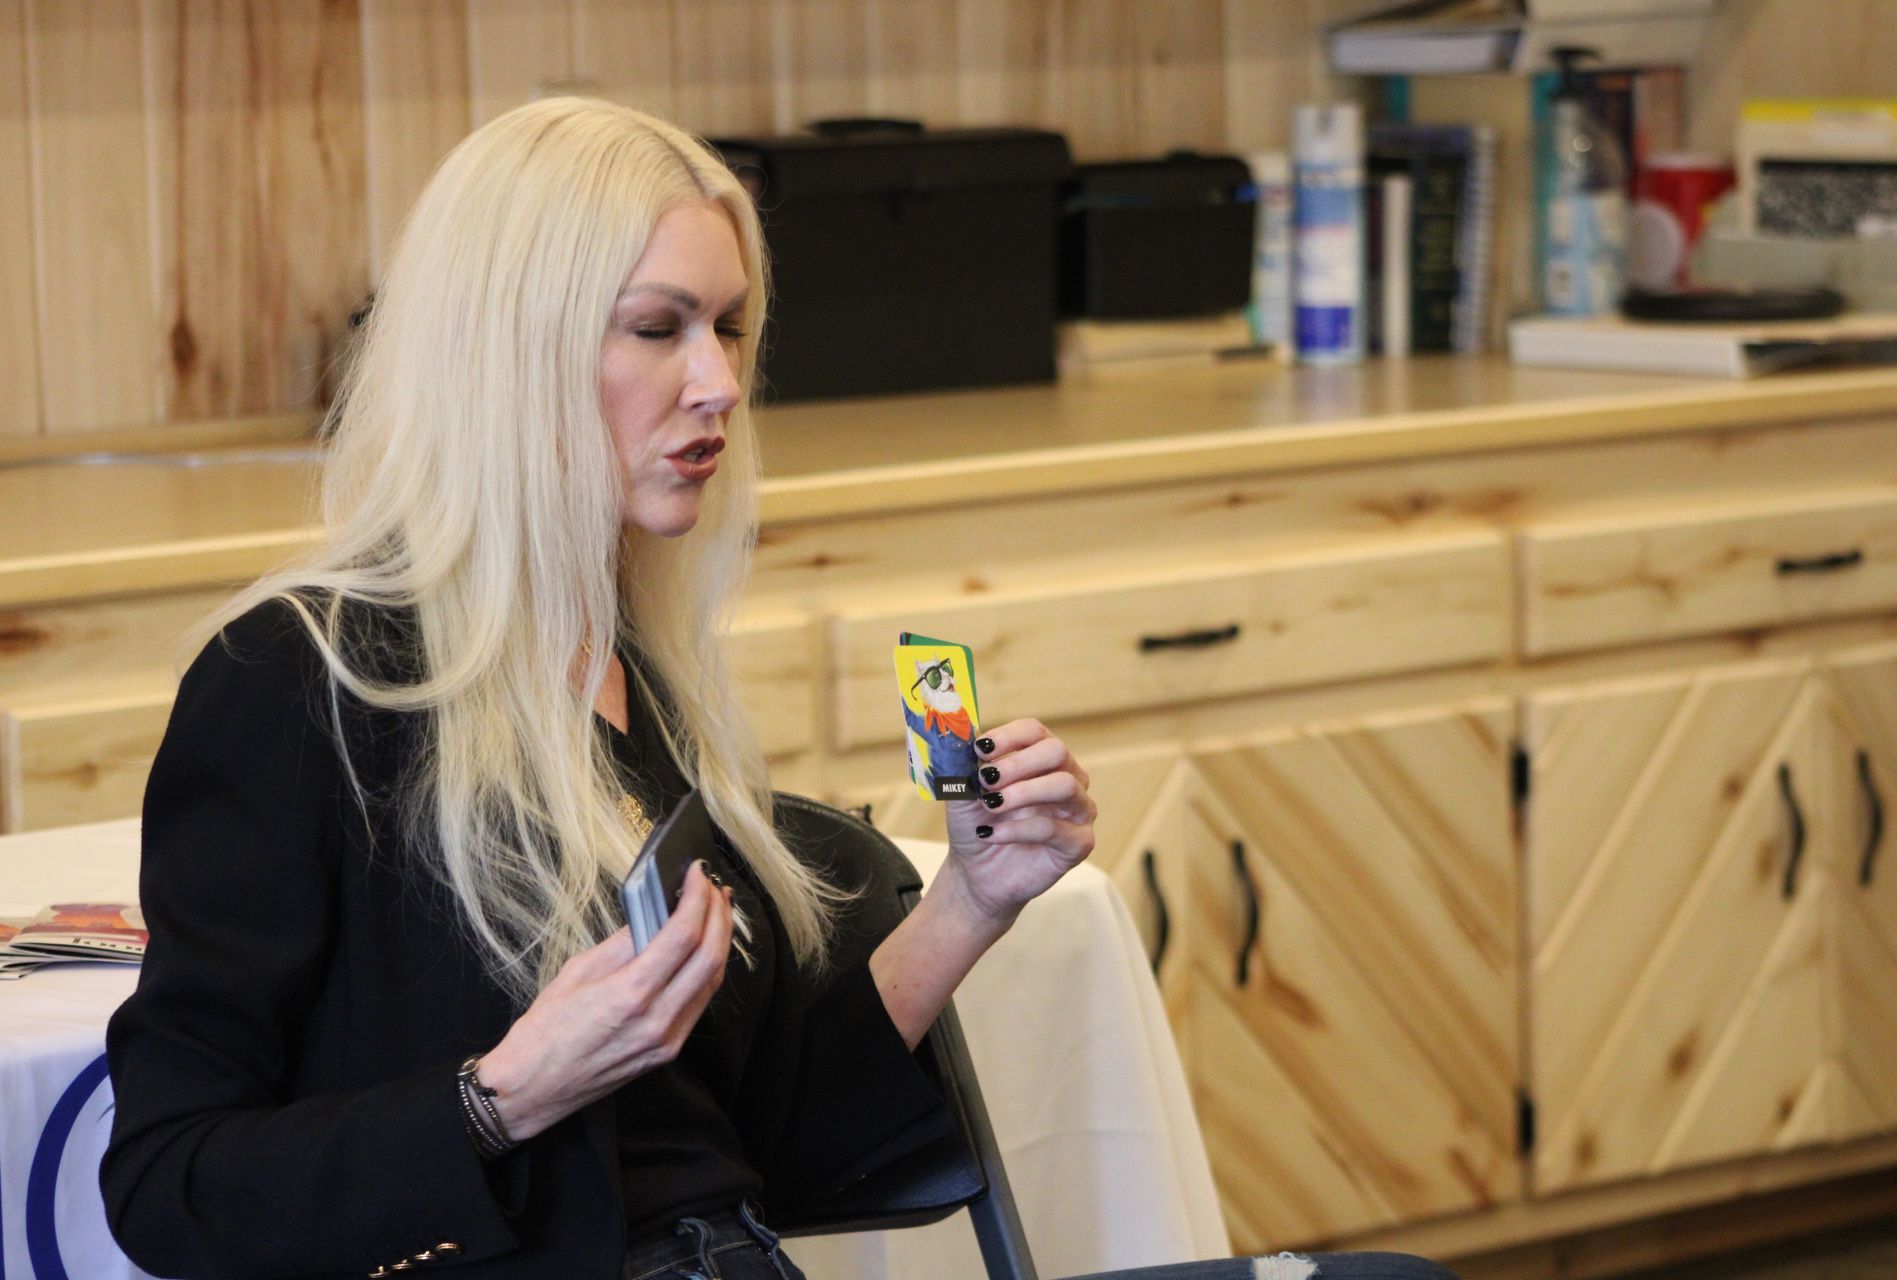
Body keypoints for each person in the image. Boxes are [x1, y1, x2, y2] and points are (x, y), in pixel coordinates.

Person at [99, 97, 1453, 1280]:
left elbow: (760, 1148)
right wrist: (501, 1096)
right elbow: (167, 1191)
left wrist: (976, 898)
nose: (720, 383)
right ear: (508, 350)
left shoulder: (626, 668)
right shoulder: (296, 682)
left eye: (731, 328)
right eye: (659, 328)